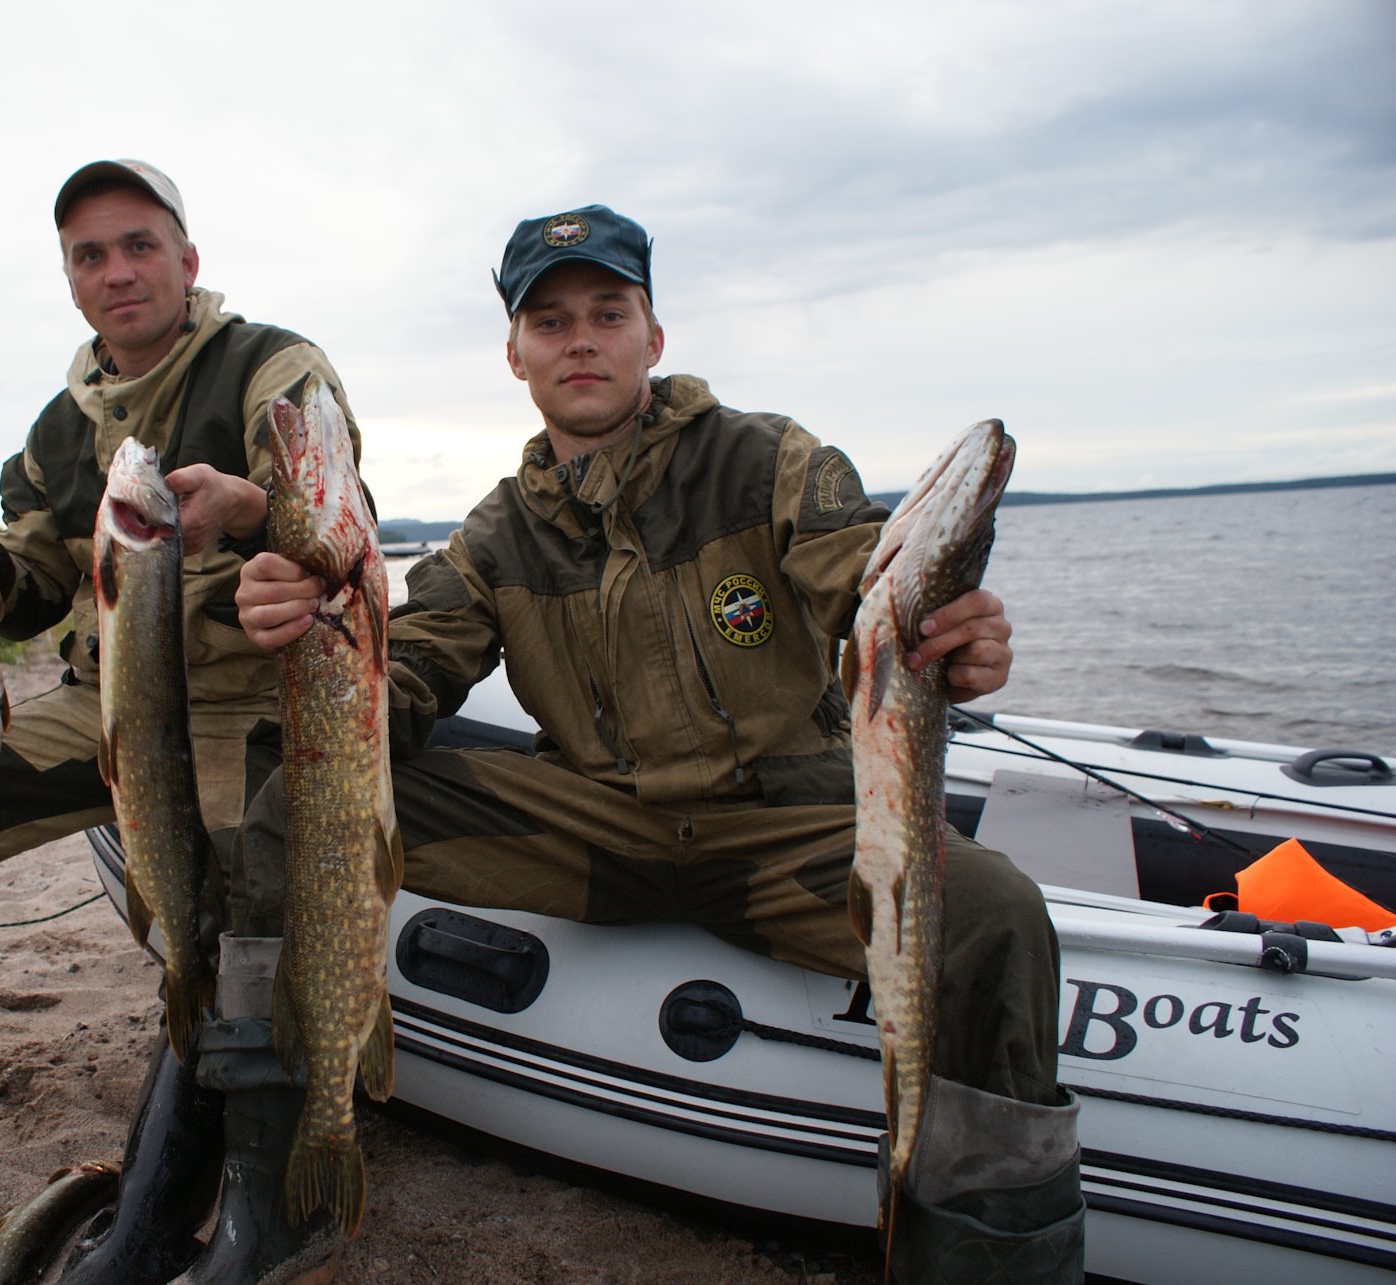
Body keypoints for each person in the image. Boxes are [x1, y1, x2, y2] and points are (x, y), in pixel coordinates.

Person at [232, 206, 1084, 1284]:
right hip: (602, 825)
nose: (580, 338)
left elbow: (869, 589)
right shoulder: (492, 534)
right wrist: (312, 636)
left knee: (998, 915)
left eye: (607, 312)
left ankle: (982, 1254)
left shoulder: (771, 462)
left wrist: (953, 638)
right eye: (550, 321)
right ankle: (270, 1161)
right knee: (285, 812)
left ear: (653, 337)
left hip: (787, 824)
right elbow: (404, 682)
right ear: (515, 355)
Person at [0, 158, 364, 1282]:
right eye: (90, 255)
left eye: (139, 245)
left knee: (225, 910)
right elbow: (31, 598)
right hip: (106, 703)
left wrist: (254, 507)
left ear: (187, 259)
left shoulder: (272, 365)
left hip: (257, 704)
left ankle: (214, 1199)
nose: (117, 272)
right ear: (68, 280)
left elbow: (339, 509)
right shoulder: (59, 430)